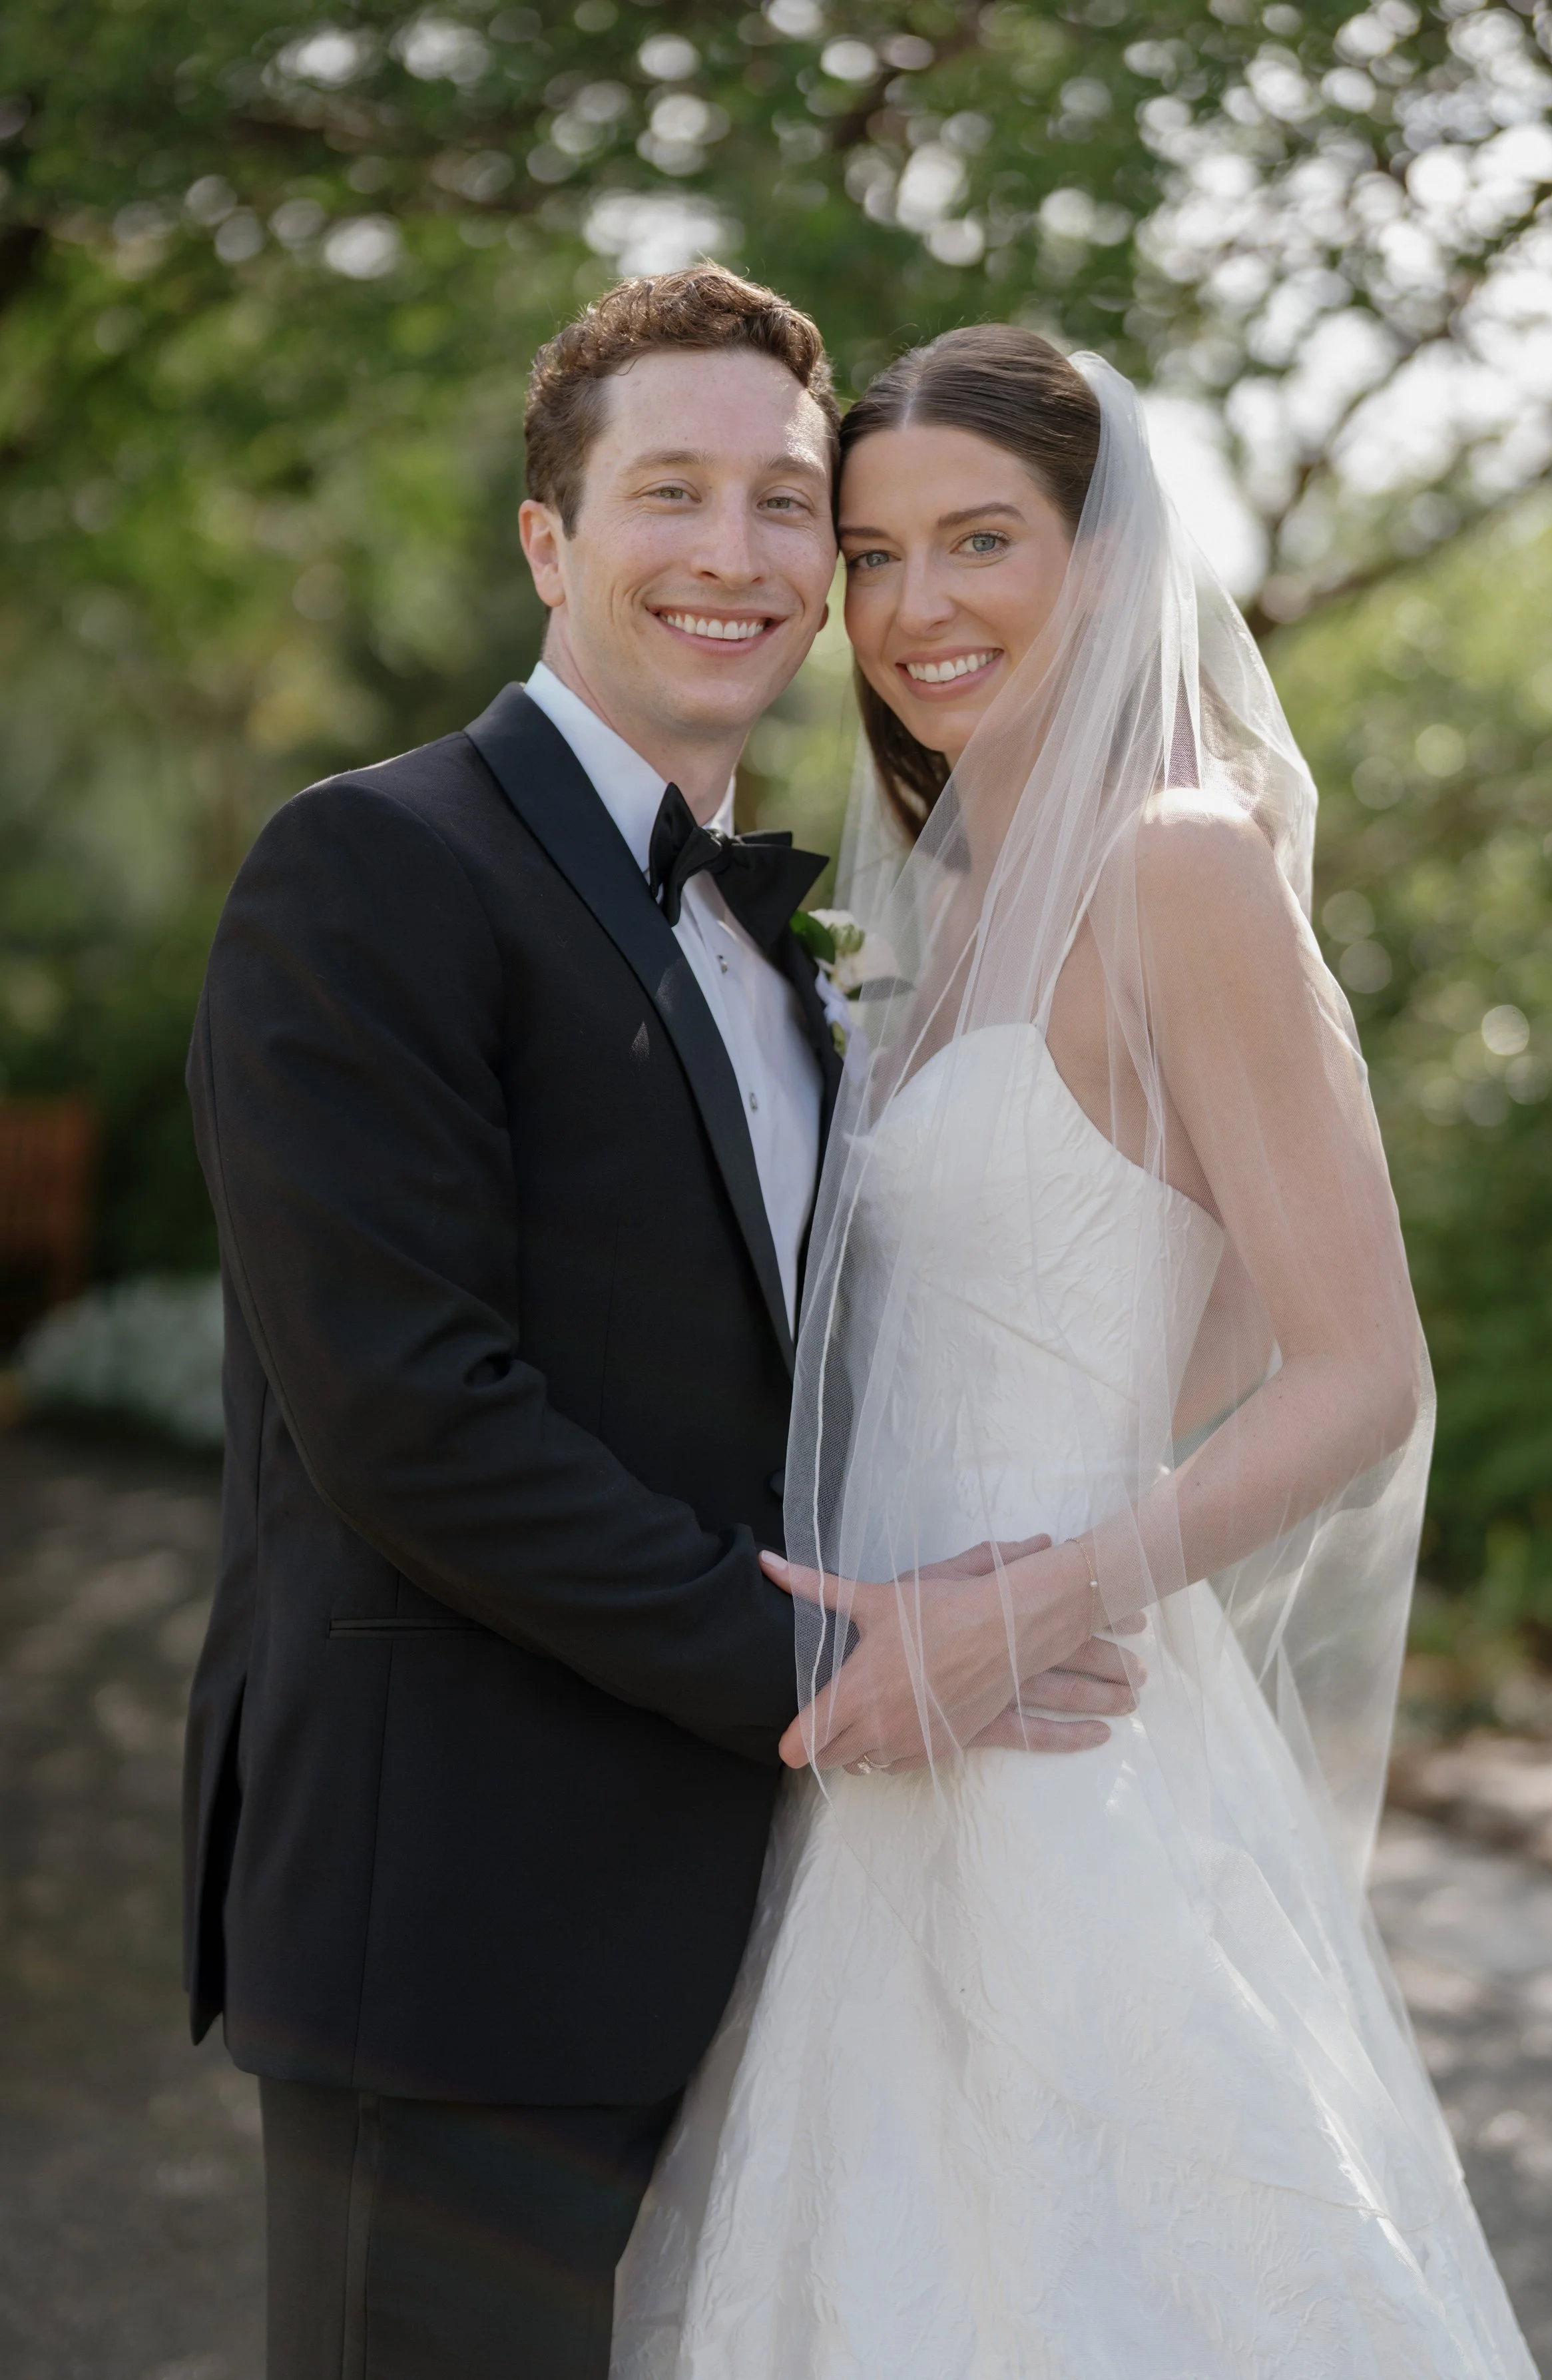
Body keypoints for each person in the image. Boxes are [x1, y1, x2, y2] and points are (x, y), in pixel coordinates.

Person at [182, 272, 1134, 2380]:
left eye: (789, 505)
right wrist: (849, 1662)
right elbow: (408, 1411)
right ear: (548, 535)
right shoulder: (371, 867)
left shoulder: (787, 932)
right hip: (455, 1919)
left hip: (773, 1925)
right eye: (670, 491)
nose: (737, 554)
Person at [613, 328, 1539, 2377]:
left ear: (1105, 566)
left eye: (979, 541)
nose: (913, 606)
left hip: (1059, 1731)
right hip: (881, 1749)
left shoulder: (1177, 863)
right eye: (870, 553)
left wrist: (1037, 1596)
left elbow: (1355, 1367)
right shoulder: (936, 920)